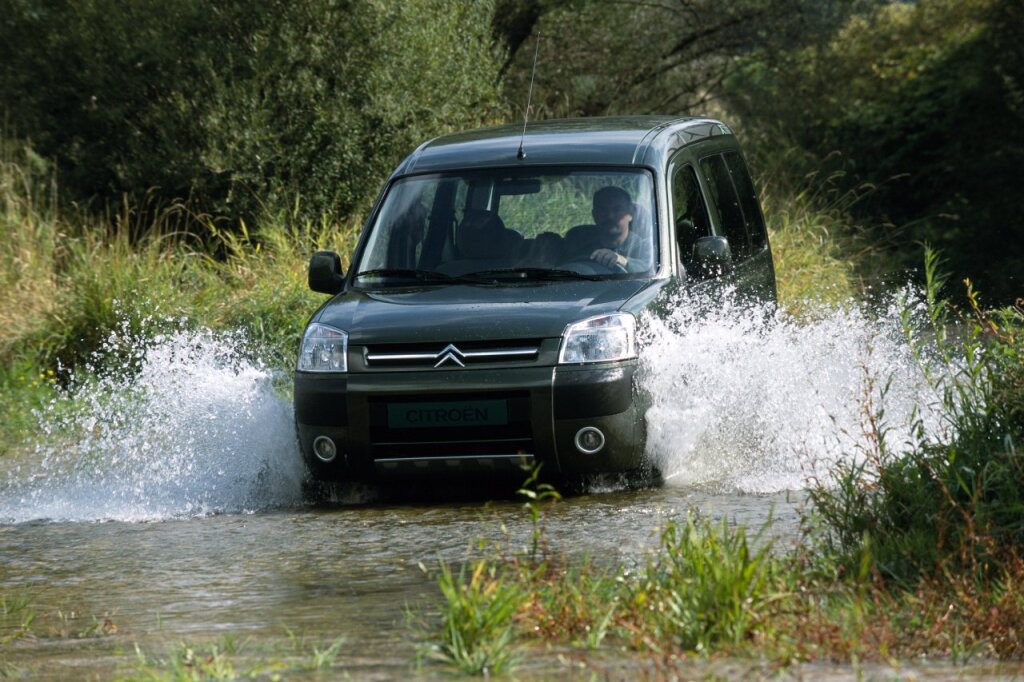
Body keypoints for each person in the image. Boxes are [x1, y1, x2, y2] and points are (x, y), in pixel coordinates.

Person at [564, 186, 652, 272]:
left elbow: (651, 269)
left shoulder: (644, 247)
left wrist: (624, 261)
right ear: (594, 215)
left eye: (617, 210)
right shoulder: (578, 243)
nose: (610, 216)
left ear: (630, 214)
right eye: (603, 210)